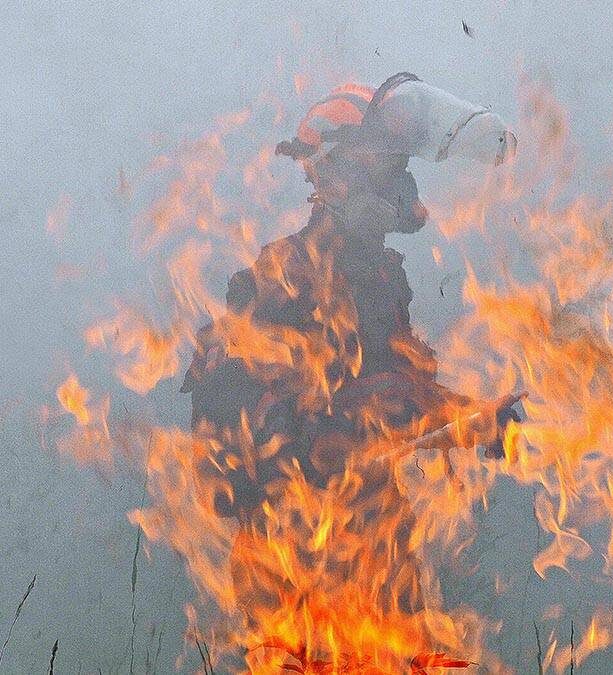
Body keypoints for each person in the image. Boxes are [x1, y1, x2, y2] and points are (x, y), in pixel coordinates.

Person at [181, 74, 518, 614]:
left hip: (374, 536)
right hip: (299, 549)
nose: (399, 182)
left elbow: (399, 395)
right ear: (337, 172)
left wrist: (473, 417)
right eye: (386, 165)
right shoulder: (288, 272)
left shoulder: (380, 278)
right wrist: (303, 454)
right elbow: (231, 399)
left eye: (400, 166)